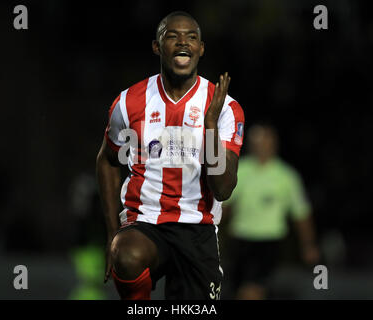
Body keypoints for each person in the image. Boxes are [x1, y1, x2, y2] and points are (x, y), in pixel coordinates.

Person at [96, 11, 245, 300]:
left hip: (198, 228)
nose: (182, 43)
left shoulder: (224, 107)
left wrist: (211, 126)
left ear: (201, 49)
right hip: (146, 221)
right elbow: (107, 159)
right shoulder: (129, 102)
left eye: (191, 37)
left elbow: (223, 189)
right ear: (157, 46)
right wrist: (112, 233)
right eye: (172, 36)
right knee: (126, 254)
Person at [223, 123, 320, 300]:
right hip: (240, 240)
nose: (261, 146)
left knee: (253, 290)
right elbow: (224, 208)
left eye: (266, 141)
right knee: (239, 289)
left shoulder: (286, 176)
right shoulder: (240, 170)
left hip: (270, 242)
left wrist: (309, 245)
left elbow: (301, 214)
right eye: (257, 142)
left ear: (274, 144)